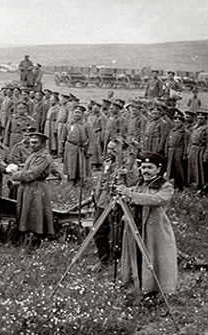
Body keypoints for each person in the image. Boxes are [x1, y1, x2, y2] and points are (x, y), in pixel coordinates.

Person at [115, 152, 178, 298]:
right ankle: (136, 286)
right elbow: (132, 195)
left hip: (155, 231)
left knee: (154, 259)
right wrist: (123, 196)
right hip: (136, 227)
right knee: (136, 256)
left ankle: (154, 291)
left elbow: (155, 200)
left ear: (158, 169)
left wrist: (130, 195)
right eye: (143, 167)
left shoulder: (165, 186)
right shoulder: (140, 184)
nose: (145, 171)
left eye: (150, 167)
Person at [90, 137, 139, 272]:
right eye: (109, 148)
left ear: (123, 151)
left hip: (119, 203)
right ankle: (103, 258)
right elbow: (101, 181)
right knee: (98, 229)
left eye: (114, 149)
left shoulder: (130, 167)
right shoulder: (107, 162)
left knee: (118, 232)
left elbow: (132, 187)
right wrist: (97, 194)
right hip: (103, 201)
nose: (111, 152)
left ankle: (119, 260)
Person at [7, 132, 55, 245]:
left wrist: (15, 174)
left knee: (35, 213)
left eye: (35, 143)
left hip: (36, 188)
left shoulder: (43, 156)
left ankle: (35, 240)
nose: (32, 145)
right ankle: (26, 237)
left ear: (43, 144)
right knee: (27, 212)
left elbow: (32, 174)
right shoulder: (35, 154)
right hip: (28, 187)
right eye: (30, 142)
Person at [61, 105, 96, 185]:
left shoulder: (86, 125)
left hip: (81, 148)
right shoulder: (68, 124)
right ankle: (71, 179)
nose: (77, 114)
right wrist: (61, 149)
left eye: (79, 113)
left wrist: (90, 150)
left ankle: (80, 180)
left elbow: (92, 139)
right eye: (75, 112)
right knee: (70, 164)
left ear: (82, 114)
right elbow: (62, 137)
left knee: (80, 165)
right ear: (73, 113)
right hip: (70, 147)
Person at [165, 112, 189, 191]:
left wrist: (185, 154)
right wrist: (166, 151)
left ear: (182, 122)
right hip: (171, 151)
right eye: (175, 122)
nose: (176, 124)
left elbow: (186, 144)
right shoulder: (172, 131)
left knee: (179, 169)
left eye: (178, 122)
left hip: (179, 152)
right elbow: (167, 142)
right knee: (172, 168)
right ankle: (174, 184)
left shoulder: (185, 132)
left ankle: (181, 185)